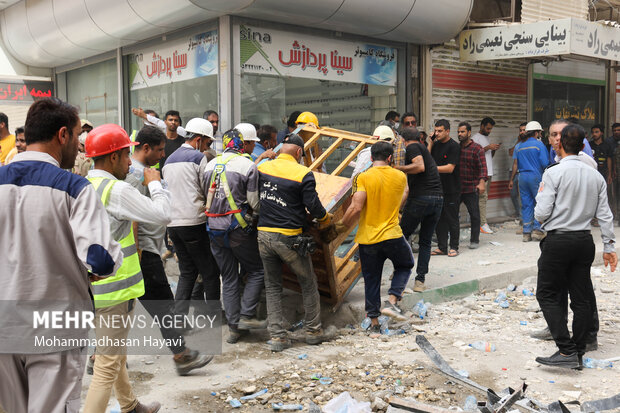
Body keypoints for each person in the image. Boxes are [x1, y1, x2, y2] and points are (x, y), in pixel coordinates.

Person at [0, 98, 122, 413]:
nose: (80, 147)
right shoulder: (74, 188)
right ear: (63, 135)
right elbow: (101, 260)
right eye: (79, 137)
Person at [83, 124, 164, 413]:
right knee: (106, 364)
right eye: (126, 155)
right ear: (113, 157)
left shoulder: (84, 184)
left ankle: (130, 406)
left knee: (115, 354)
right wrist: (155, 183)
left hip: (98, 289)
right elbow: (162, 214)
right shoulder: (116, 189)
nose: (131, 162)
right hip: (114, 292)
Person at [125, 126, 213, 375]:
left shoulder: (139, 171)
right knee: (164, 308)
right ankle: (181, 355)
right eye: (160, 150)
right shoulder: (139, 175)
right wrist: (138, 253)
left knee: (123, 308)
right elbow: (132, 217)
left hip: (142, 252)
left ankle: (101, 357)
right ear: (145, 148)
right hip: (143, 254)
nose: (163, 155)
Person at [533, 123, 617, 369]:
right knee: (581, 297)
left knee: (546, 293)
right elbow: (605, 214)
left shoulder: (553, 172)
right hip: (584, 240)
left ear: (559, 144)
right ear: (583, 146)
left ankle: (566, 350)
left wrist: (549, 218)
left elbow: (540, 212)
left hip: (558, 240)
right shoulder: (595, 174)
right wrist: (610, 246)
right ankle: (579, 349)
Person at [256, 134, 333, 351]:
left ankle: (278, 337)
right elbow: (314, 206)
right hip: (289, 237)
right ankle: (313, 331)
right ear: (299, 153)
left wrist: (261, 158)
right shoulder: (303, 173)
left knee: (272, 286)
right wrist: (326, 220)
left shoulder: (263, 169)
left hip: (263, 236)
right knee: (308, 283)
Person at [338, 140, 412, 331]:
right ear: (390, 158)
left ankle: (374, 324)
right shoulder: (401, 176)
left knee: (371, 278)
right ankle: (393, 299)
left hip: (368, 238)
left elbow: (356, 206)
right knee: (405, 264)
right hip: (392, 234)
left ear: (371, 158)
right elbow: (404, 195)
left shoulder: (362, 177)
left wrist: (340, 227)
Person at [204, 129, 267, 344]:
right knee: (257, 270)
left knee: (228, 278)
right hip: (238, 230)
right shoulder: (247, 166)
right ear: (242, 144)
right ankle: (246, 316)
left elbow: (206, 196)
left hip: (213, 229)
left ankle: (233, 329)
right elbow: (254, 202)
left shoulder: (210, 164)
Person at [162, 118, 221, 317]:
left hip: (173, 224)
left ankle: (179, 318)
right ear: (198, 139)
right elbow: (208, 191)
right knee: (210, 271)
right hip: (193, 222)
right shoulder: (198, 158)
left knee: (187, 271)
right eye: (207, 142)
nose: (207, 147)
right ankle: (214, 316)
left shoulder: (169, 159)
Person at [394, 128, 442, 293]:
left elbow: (419, 167)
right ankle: (420, 281)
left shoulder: (413, 147)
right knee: (425, 241)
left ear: (403, 140)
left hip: (421, 199)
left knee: (400, 236)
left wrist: (397, 168)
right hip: (437, 200)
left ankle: (398, 273)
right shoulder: (423, 148)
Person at [508, 121, 549, 242]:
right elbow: (545, 163)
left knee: (526, 203)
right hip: (535, 176)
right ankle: (537, 230)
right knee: (539, 203)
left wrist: (511, 179)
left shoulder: (519, 145)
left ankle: (526, 232)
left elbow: (515, 163)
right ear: (537, 132)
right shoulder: (539, 145)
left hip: (522, 177)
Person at [429, 119, 460, 257]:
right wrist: (430, 143)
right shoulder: (435, 145)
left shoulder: (454, 146)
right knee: (439, 219)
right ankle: (442, 247)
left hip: (452, 189)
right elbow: (427, 158)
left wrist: (431, 169)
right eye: (436, 130)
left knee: (452, 218)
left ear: (447, 131)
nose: (437, 133)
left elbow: (449, 168)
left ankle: (454, 246)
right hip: (437, 188)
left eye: (440, 131)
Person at [456, 122, 487, 250]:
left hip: (471, 187)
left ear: (469, 133)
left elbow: (483, 168)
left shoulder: (477, 148)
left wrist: (481, 183)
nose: (460, 134)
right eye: (458, 132)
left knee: (474, 215)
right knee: (452, 215)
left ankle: (474, 240)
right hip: (457, 188)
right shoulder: (456, 148)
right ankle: (454, 239)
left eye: (462, 132)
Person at [472, 117, 499, 234]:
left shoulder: (487, 138)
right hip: (481, 174)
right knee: (482, 199)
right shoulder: (475, 138)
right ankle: (482, 224)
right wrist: (488, 147)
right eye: (488, 128)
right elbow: (474, 154)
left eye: (491, 129)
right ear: (482, 126)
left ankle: (479, 222)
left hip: (489, 172)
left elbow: (488, 156)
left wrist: (493, 149)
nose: (489, 131)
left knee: (483, 199)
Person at [508, 122, 527, 225]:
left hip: (526, 173)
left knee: (525, 196)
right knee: (514, 194)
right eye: (520, 130)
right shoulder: (517, 142)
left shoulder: (534, 143)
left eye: (524, 130)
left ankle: (526, 219)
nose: (522, 132)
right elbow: (511, 155)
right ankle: (519, 213)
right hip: (515, 172)